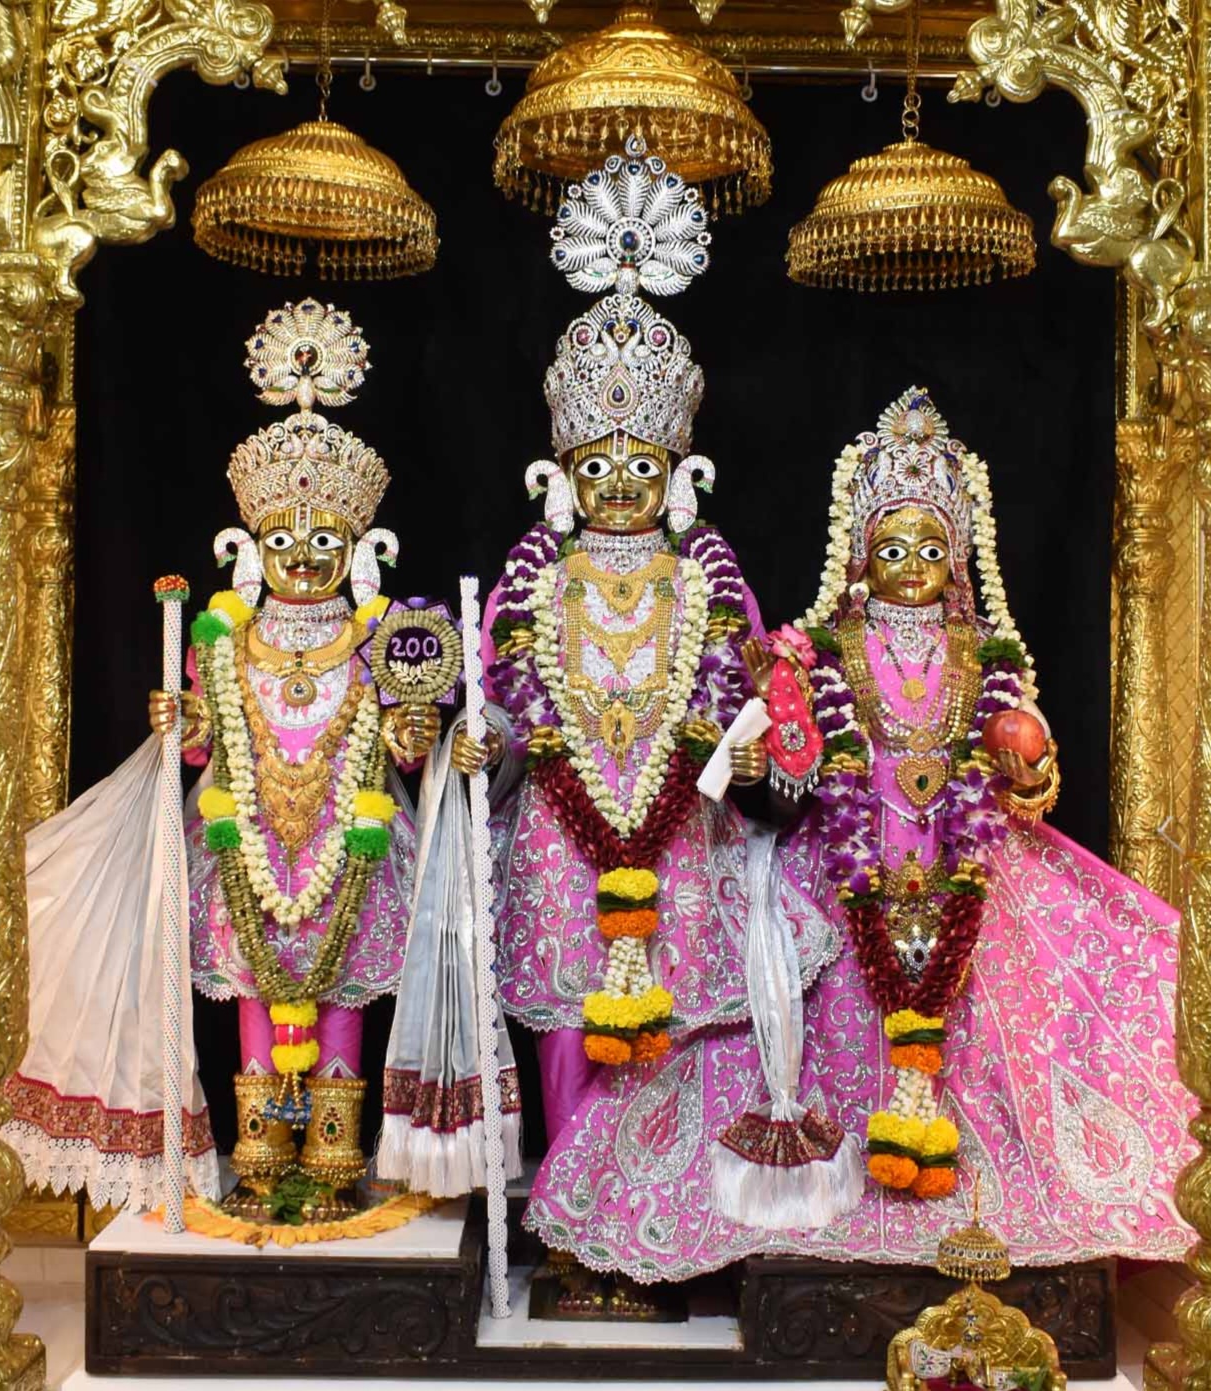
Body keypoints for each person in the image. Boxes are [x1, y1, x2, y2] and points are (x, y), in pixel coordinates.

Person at [521, 387, 1193, 1279]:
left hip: (966, 864)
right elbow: (793, 771)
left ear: (959, 559)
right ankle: (817, 1188)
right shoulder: (821, 651)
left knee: (1016, 1020)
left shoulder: (983, 652)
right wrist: (772, 761)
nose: (910, 567)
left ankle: (972, 1184)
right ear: (859, 556)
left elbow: (1030, 776)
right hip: (843, 866)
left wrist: (1026, 768)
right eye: (891, 549)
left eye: (930, 549)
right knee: (794, 1011)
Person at [452, 137, 844, 1309]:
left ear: (675, 468)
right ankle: (572, 1241)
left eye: (639, 461)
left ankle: (655, 1233)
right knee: (566, 1022)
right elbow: (506, 696)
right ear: (562, 470)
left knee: (671, 1027)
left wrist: (759, 743)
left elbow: (750, 701)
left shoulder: (707, 580)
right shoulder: (530, 579)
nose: (619, 481)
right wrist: (485, 743)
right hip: (559, 831)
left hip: (681, 832)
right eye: (597, 461)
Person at [4, 299, 440, 1211]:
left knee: (342, 1001)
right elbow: (207, 738)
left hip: (351, 853)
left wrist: (413, 733)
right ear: (248, 547)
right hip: (245, 849)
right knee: (252, 999)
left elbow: (402, 749)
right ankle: (262, 1159)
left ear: (360, 547)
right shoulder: (226, 637)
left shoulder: (377, 635)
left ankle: (333, 1166)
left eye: (324, 542)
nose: (304, 559)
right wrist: (179, 718)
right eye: (282, 541)